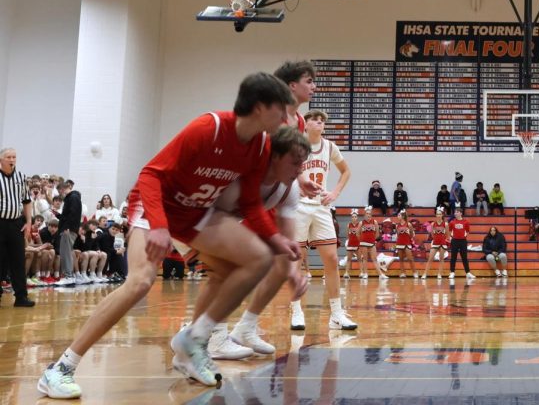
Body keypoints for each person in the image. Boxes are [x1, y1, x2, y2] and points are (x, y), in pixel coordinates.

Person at [38, 73, 302, 399]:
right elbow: (150, 174)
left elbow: (249, 200)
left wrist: (275, 238)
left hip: (195, 214)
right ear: (261, 107)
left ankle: (194, 341)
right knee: (140, 282)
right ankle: (61, 368)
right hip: (155, 207)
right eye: (282, 110)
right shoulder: (209, 128)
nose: (288, 119)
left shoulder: (260, 145)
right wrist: (160, 225)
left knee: (256, 258)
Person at [187, 126, 313, 360]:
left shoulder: (289, 189)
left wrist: (293, 273)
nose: (299, 171)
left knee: (238, 268)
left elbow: (284, 238)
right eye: (295, 163)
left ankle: (198, 338)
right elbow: (247, 212)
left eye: (302, 164)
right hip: (187, 215)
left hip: (213, 220)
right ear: (275, 156)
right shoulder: (242, 174)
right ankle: (206, 337)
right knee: (231, 268)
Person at [290, 107, 357, 332]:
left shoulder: (329, 146)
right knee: (296, 260)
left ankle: (336, 314)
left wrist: (335, 193)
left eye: (322, 121)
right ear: (305, 124)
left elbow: (346, 172)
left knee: (330, 259)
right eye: (315, 120)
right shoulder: (295, 145)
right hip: (298, 206)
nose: (320, 123)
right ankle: (296, 311)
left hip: (321, 206)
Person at [0, 147, 35, 308]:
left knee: (18, 261)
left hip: (16, 224)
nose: (12, 160)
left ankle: (21, 297)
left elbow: (27, 201)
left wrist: (28, 222)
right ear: (1, 159)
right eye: (8, 157)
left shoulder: (21, 177)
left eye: (14, 157)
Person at [56, 180, 83, 284]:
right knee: (66, 252)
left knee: (65, 253)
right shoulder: (72, 198)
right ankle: (69, 275)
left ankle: (69, 276)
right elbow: (68, 215)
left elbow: (73, 214)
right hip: (69, 228)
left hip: (68, 229)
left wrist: (66, 227)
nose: (60, 195)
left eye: (59, 192)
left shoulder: (73, 197)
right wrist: (58, 215)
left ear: (62, 189)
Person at [447, 211, 475, 281]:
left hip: (463, 241)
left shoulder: (466, 222)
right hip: (454, 241)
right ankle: (452, 272)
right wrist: (452, 237)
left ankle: (468, 273)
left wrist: (464, 236)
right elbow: (449, 231)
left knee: (464, 257)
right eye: (455, 212)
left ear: (461, 213)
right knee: (453, 257)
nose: (455, 213)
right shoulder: (452, 222)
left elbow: (468, 231)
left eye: (457, 212)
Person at [421, 209, 449, 279]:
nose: (438, 215)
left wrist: (442, 238)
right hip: (435, 243)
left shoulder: (445, 224)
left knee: (441, 259)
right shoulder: (433, 224)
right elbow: (432, 234)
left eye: (440, 214)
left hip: (442, 243)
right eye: (437, 214)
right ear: (436, 215)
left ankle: (439, 274)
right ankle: (425, 274)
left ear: (442, 215)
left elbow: (447, 235)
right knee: (430, 258)